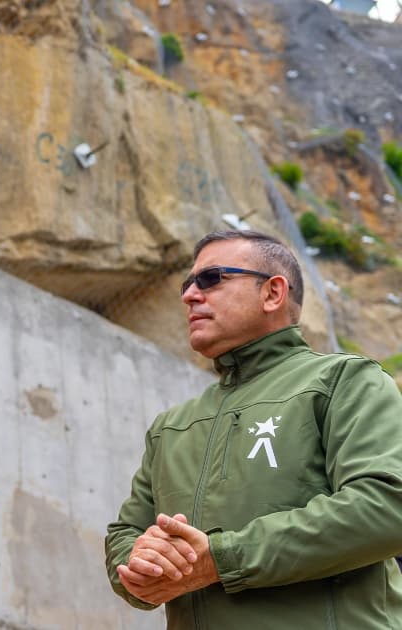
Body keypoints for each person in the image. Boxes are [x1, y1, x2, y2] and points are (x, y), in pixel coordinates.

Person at [105, 229, 402, 627]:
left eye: (211, 279)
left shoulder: (344, 381)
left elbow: (387, 505)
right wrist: (138, 566)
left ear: (273, 293)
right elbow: (126, 532)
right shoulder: (171, 427)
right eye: (187, 284)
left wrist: (223, 558)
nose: (190, 295)